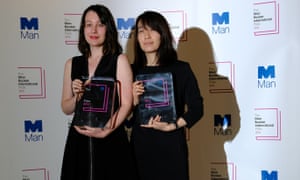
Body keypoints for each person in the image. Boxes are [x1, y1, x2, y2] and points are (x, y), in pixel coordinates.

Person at [60, 4, 136, 180]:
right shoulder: (72, 63)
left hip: (111, 137)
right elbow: (66, 107)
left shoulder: (119, 60)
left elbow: (126, 103)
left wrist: (107, 129)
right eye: (88, 24)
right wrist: (77, 96)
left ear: (107, 28)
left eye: (100, 24)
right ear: (83, 29)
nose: (94, 30)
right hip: (79, 139)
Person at [130, 11, 204, 180]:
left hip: (172, 146)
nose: (146, 36)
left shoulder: (181, 69)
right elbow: (125, 118)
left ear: (162, 34)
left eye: (152, 30)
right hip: (140, 148)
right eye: (141, 31)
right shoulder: (130, 71)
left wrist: (174, 125)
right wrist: (133, 100)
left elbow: (197, 108)